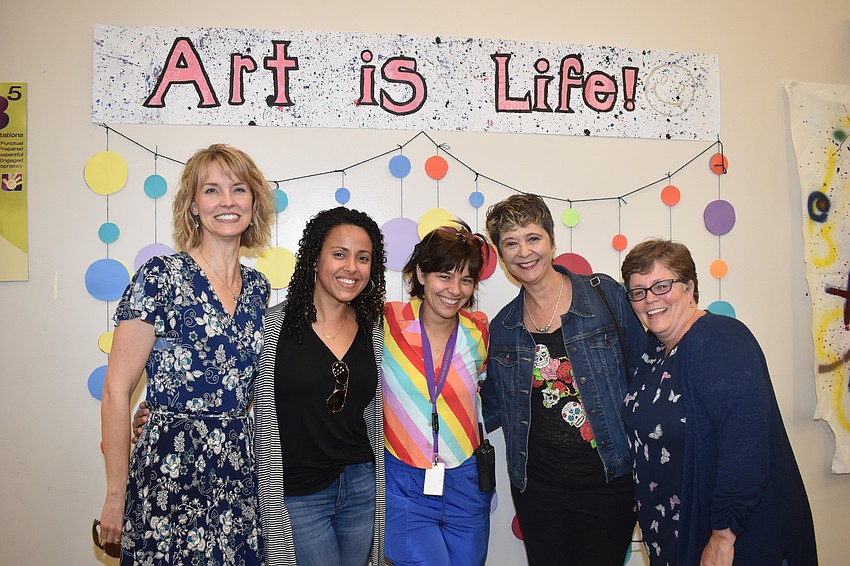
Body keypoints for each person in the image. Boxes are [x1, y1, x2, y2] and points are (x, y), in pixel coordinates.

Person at [98, 144, 275, 564]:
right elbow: (116, 390)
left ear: (253, 202)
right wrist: (115, 495)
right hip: (168, 466)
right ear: (193, 206)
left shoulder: (259, 289)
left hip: (236, 469)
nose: (227, 202)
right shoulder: (160, 276)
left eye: (238, 189)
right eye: (212, 191)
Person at [620, 239, 817, 566]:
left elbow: (746, 444)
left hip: (727, 536)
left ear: (690, 287)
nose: (649, 299)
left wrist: (723, 535)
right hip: (671, 531)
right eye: (638, 292)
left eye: (662, 285)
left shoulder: (721, 341)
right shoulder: (651, 355)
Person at [481, 193, 648, 565]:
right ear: (502, 255)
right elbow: (487, 407)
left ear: (552, 242)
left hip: (610, 482)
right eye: (510, 243)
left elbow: (645, 372)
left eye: (533, 238)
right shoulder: (503, 329)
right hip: (539, 491)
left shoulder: (603, 296)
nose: (524, 252)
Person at [254, 207, 387, 566]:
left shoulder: (375, 331)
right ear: (315, 258)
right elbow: (227, 393)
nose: (351, 267)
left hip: (361, 485)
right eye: (339, 254)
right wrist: (162, 417)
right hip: (297, 494)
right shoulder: (270, 328)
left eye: (363, 258)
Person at [382, 222, 492, 566]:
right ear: (421, 273)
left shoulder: (479, 333)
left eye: (466, 280)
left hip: (466, 481)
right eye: (445, 275)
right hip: (402, 481)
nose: (454, 290)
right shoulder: (387, 323)